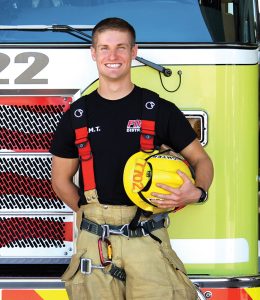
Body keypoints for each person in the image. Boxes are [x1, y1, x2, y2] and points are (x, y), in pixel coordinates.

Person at [50, 17, 214, 300]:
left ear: (134, 52)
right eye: (104, 48)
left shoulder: (159, 110)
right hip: (95, 242)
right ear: (93, 53)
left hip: (149, 238)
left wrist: (196, 193)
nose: (112, 56)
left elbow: (202, 160)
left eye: (121, 48)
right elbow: (60, 180)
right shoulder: (76, 115)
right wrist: (88, 213)